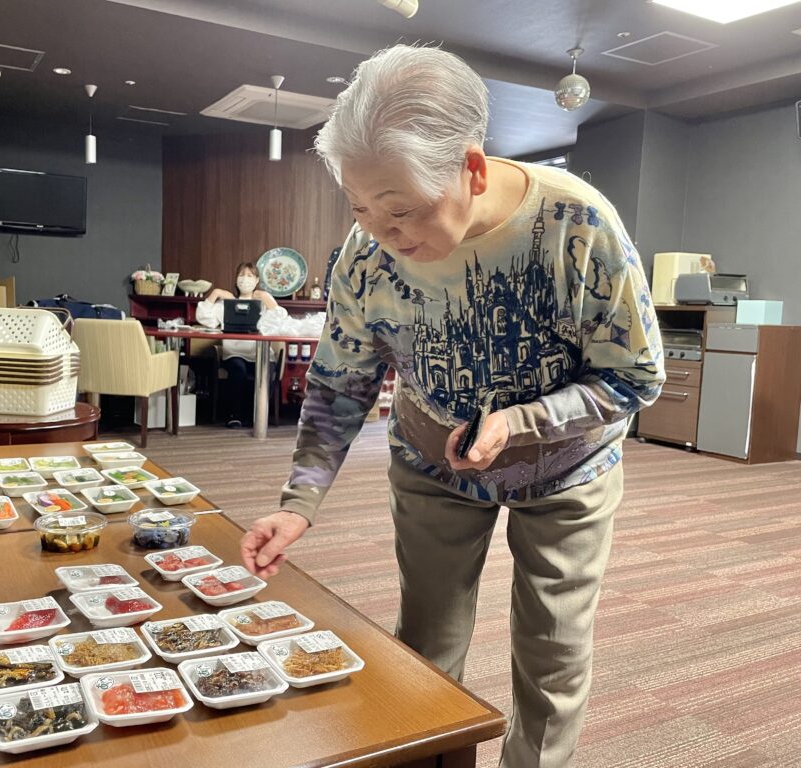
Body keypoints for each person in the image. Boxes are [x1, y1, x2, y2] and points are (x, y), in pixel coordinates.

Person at [240, 45, 664, 768]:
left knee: (554, 657)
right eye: (360, 207)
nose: (381, 231)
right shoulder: (366, 255)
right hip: (431, 462)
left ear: (471, 169)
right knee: (426, 648)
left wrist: (522, 422)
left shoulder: (577, 224)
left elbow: (635, 377)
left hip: (567, 471)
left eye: (400, 209)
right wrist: (299, 500)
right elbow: (341, 381)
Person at [196, 261, 285, 428]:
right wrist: (215, 293)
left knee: (265, 370)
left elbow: (281, 321)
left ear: (257, 280)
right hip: (235, 354)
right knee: (238, 369)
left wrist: (268, 300)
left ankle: (257, 415)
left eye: (250, 275)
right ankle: (234, 415)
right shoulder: (227, 303)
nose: (245, 279)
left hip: (261, 355)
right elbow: (204, 318)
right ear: (236, 279)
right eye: (242, 275)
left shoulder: (263, 302)